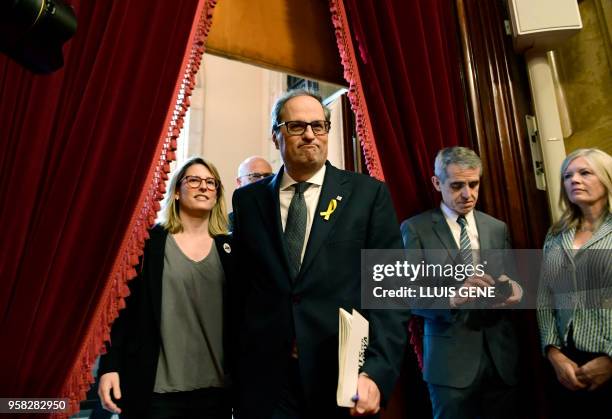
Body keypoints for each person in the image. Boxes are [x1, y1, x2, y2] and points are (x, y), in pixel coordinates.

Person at [230, 89, 409, 418]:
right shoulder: (248, 202)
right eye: (297, 126)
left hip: (341, 380)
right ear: (276, 136)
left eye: (319, 125)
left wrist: (376, 372)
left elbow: (391, 292)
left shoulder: (367, 196)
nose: (310, 134)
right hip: (266, 382)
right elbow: (239, 292)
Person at [97, 157, 233, 418]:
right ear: (177, 192)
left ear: (217, 195)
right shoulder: (148, 243)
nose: (203, 187)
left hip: (215, 392)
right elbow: (121, 310)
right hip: (155, 391)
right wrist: (109, 366)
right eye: (193, 180)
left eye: (210, 182)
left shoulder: (230, 250)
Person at [401, 146, 523, 419]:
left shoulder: (496, 227)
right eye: (457, 186)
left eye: (473, 184)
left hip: (500, 359)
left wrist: (516, 290)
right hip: (449, 363)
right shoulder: (415, 229)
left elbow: (514, 281)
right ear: (437, 183)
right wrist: (453, 298)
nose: (467, 194)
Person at [537, 148, 612, 418]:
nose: (574, 180)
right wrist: (553, 353)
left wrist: (611, 361)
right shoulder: (557, 234)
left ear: (606, 179)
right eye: (567, 176)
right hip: (567, 364)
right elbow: (545, 298)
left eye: (584, 172)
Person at [229, 156, 273, 230]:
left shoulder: (280, 218)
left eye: (267, 176)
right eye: (255, 176)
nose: (263, 181)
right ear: (239, 182)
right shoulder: (227, 224)